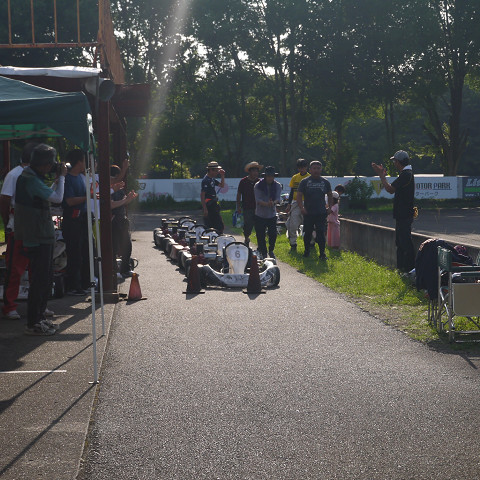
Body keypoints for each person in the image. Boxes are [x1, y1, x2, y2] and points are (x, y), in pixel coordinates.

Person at [14, 144, 67, 335]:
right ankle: (34, 323)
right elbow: (58, 198)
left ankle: (40, 318)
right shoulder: (29, 179)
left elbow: (48, 195)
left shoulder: (31, 177)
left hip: (40, 235)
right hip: (37, 236)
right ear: (45, 164)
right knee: (39, 281)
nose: (51, 167)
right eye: (51, 164)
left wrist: (56, 180)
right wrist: (62, 177)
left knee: (45, 279)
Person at [0, 142, 37, 319]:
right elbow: (5, 200)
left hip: (35, 226)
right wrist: (7, 222)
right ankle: (9, 306)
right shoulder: (14, 174)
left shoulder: (35, 174)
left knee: (37, 267)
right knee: (15, 268)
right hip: (19, 225)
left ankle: (38, 304)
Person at [372, 150, 415, 272]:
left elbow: (390, 189)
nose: (394, 164)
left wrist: (381, 176)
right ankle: (402, 269)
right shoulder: (406, 174)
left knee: (404, 243)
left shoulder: (406, 174)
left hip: (404, 214)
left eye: (395, 161)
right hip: (403, 214)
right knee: (400, 242)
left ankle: (409, 269)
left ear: (399, 162)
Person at [62, 149, 90, 295]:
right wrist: (88, 197)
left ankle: (85, 283)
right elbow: (70, 201)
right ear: (79, 161)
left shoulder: (81, 177)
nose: (86, 163)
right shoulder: (68, 179)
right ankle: (73, 286)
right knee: (75, 253)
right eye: (84, 160)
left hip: (82, 219)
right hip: (72, 220)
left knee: (86, 252)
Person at [297, 160, 333, 260]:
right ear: (310, 170)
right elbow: (299, 195)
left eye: (318, 168)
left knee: (321, 233)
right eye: (314, 168)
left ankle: (322, 254)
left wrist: (330, 207)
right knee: (308, 233)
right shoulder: (304, 182)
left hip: (321, 212)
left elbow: (330, 195)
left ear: (321, 169)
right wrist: (301, 207)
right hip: (308, 212)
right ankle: (306, 251)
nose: (316, 170)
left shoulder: (325, 182)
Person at [110, 165, 138, 278]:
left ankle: (125, 268)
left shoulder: (120, 188)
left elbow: (123, 202)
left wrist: (128, 199)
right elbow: (112, 205)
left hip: (122, 219)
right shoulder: (109, 188)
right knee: (114, 246)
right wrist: (125, 200)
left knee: (127, 245)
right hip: (113, 220)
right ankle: (114, 270)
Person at [254, 165, 282, 259]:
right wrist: (267, 204)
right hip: (260, 214)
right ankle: (264, 252)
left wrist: (273, 203)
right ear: (265, 176)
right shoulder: (258, 185)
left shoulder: (277, 185)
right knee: (260, 235)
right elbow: (258, 200)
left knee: (273, 234)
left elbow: (278, 198)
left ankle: (271, 250)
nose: (270, 178)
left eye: (272, 176)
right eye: (268, 176)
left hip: (272, 214)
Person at [286, 158, 310, 251]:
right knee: (292, 224)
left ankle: (310, 242)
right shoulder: (295, 177)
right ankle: (293, 243)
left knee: (308, 224)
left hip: (307, 203)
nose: (301, 169)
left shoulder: (310, 177)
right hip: (296, 203)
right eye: (299, 168)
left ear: (306, 167)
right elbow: (292, 191)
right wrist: (289, 204)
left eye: (303, 167)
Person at [236, 161, 262, 246]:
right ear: (249, 171)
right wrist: (238, 206)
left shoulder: (260, 182)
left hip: (258, 207)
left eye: (257, 171)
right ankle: (246, 237)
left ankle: (260, 243)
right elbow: (239, 194)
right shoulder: (243, 181)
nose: (255, 173)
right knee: (248, 225)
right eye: (254, 171)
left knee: (259, 226)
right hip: (247, 207)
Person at [201, 161, 226, 233]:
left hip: (214, 203)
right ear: (211, 170)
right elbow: (202, 195)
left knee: (219, 225)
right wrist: (205, 209)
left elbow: (222, 185)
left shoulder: (212, 179)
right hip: (209, 205)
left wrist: (222, 176)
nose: (217, 172)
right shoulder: (206, 180)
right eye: (216, 170)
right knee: (210, 225)